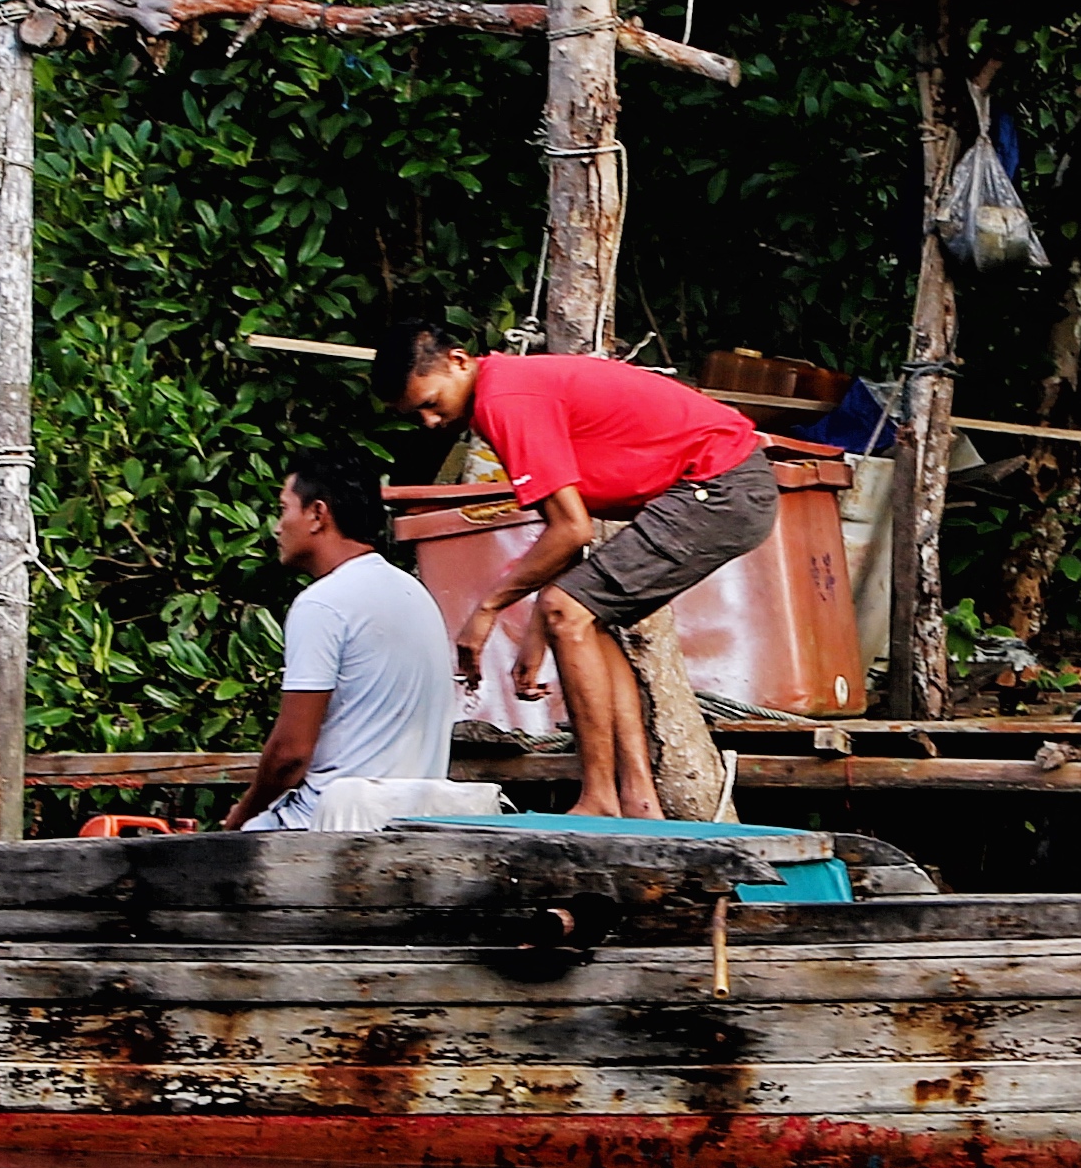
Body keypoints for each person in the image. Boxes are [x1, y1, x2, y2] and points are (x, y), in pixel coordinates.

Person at [376, 307, 774, 821]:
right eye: (417, 415)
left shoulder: (505, 399)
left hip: (720, 485)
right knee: (585, 617)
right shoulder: (504, 391)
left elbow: (573, 531)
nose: (430, 421)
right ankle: (637, 800)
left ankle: (601, 799)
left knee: (569, 610)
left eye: (430, 403)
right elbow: (564, 534)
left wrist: (489, 608)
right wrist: (540, 629)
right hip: (727, 487)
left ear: (457, 361)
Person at [226, 447, 483, 831]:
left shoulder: (324, 603)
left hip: (328, 826)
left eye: (284, 509)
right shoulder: (415, 594)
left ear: (317, 514)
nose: (278, 527)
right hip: (415, 823)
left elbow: (290, 756)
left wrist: (240, 816)